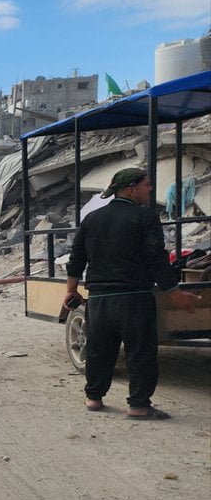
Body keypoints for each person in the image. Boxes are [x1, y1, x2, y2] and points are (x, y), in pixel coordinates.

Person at [65, 167, 201, 419]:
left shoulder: (92, 219)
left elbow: (76, 259)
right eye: (147, 185)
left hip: (99, 300)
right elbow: (157, 260)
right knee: (140, 353)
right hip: (134, 298)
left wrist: (71, 290)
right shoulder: (145, 218)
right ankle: (138, 405)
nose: (150, 189)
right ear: (130, 188)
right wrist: (174, 292)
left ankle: (93, 398)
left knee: (99, 350)